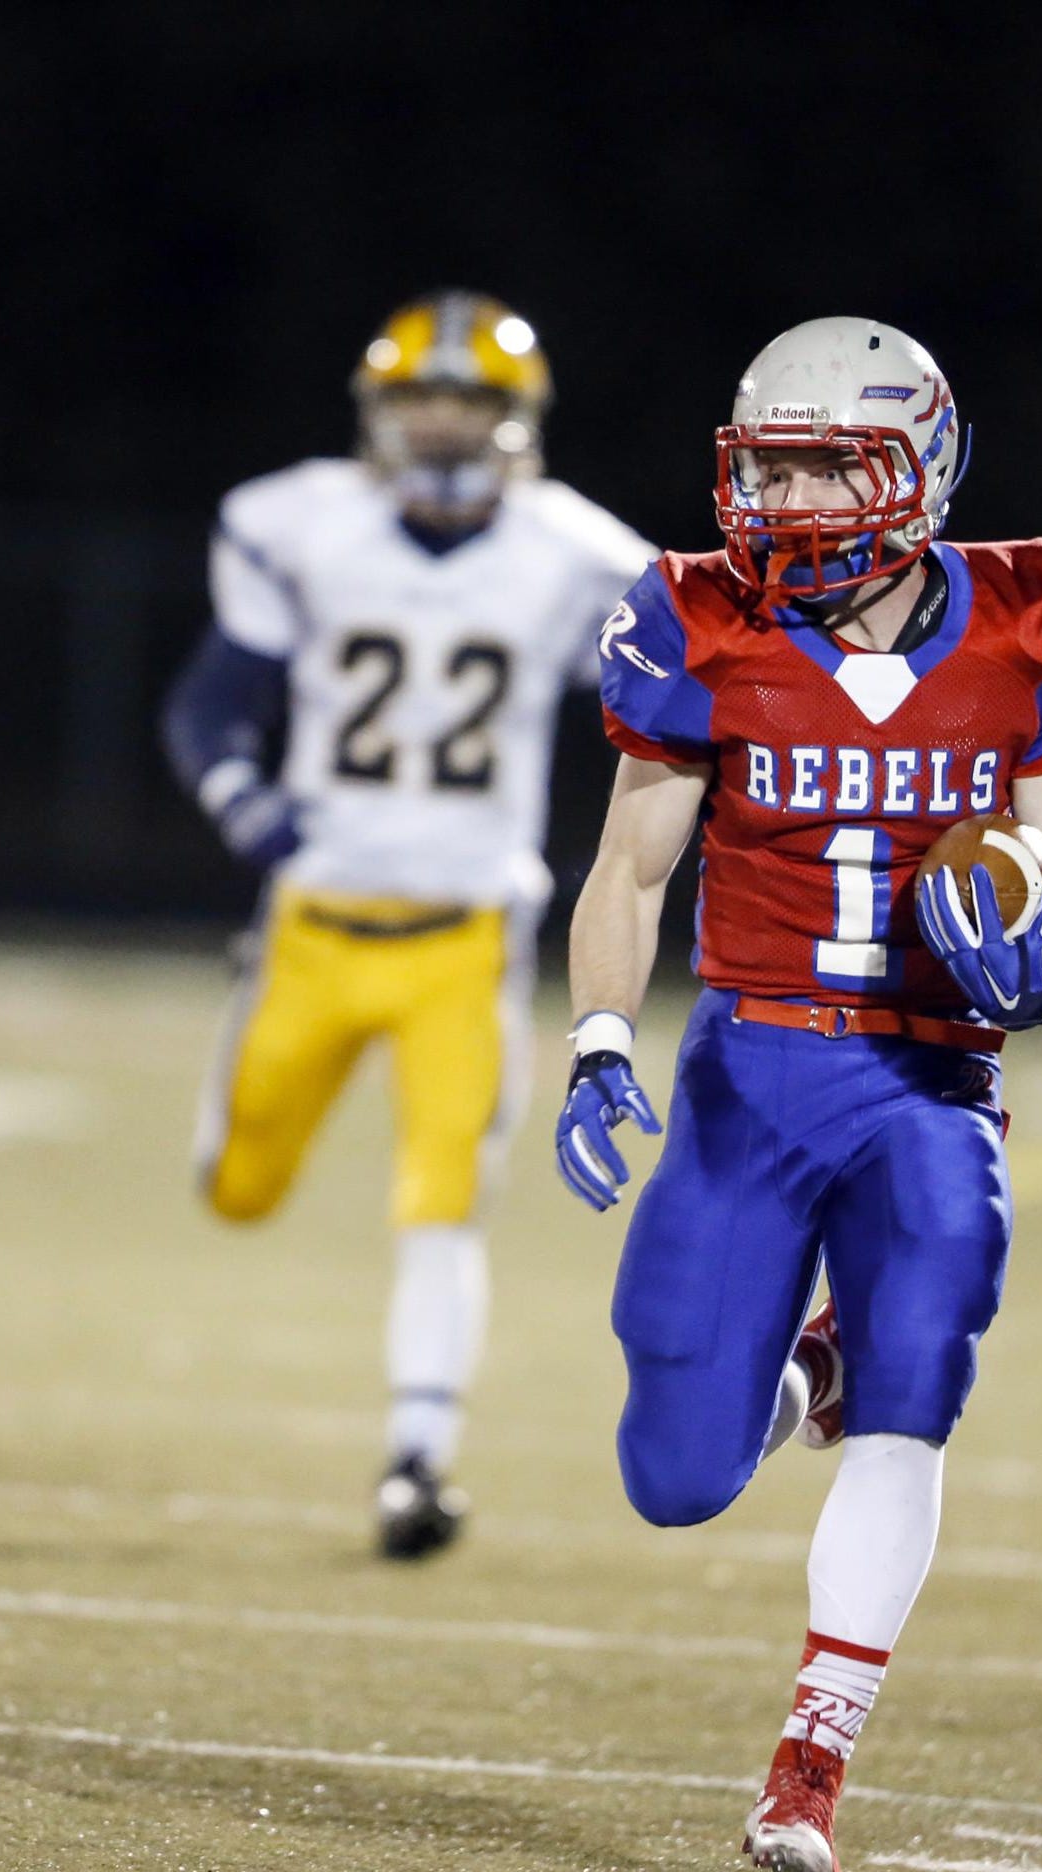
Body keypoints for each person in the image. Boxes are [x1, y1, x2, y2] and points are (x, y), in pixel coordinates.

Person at [556, 317, 1042, 1872]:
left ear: (917, 473)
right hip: (751, 1067)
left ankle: (809, 1765)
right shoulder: (693, 621)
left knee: (921, 1362)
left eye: (826, 464)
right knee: (674, 1479)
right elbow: (625, 869)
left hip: (933, 1078)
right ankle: (801, 1355)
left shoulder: (1032, 619)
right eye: (770, 465)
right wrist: (601, 1036)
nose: (787, 499)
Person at [164, 292, 653, 1558]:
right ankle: (412, 1448)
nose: (441, 425)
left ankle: (416, 1463)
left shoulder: (577, 557)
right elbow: (209, 706)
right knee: (237, 1185)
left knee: (447, 1201)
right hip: (314, 926)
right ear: (378, 414)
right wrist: (246, 806)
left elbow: (670, 727)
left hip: (467, 935)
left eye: (470, 402)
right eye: (421, 400)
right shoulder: (302, 525)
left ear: (514, 422)